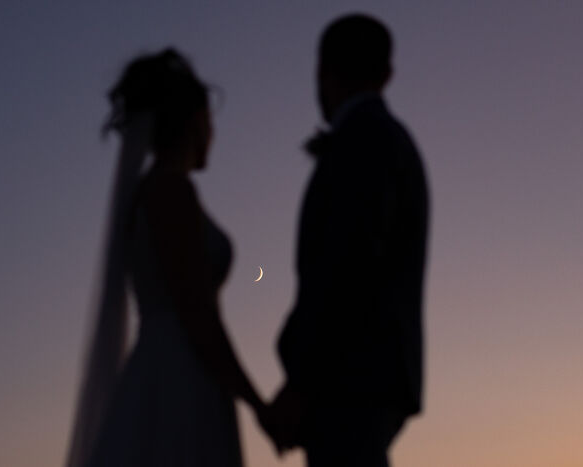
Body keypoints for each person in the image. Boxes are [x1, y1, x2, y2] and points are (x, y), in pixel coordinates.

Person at [66, 49, 264, 467]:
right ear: (194, 120)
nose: (214, 134)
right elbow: (199, 316)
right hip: (182, 377)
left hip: (166, 371)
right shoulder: (170, 191)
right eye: (210, 121)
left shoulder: (153, 193)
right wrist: (257, 403)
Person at [263, 14, 430, 467]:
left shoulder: (363, 140)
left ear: (322, 69)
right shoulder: (386, 139)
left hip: (352, 376)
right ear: (387, 74)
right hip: (369, 373)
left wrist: (301, 380)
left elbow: (345, 268)